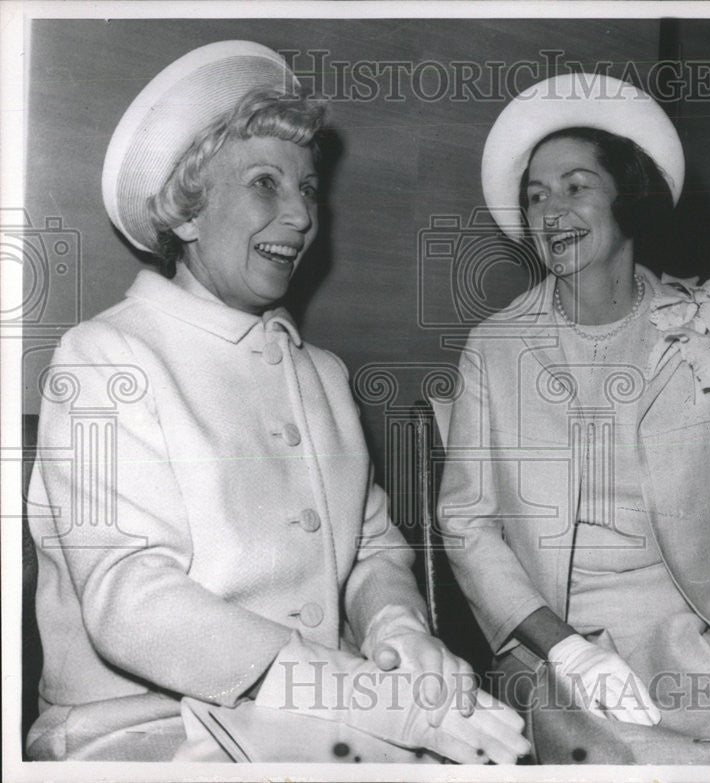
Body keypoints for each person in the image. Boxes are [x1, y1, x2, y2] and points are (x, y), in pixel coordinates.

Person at [25, 40, 528, 764]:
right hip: (138, 730)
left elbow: (373, 546)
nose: (300, 217)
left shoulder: (322, 373)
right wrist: (365, 696)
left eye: (309, 189)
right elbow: (129, 600)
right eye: (266, 182)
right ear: (187, 210)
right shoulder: (103, 356)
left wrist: (399, 633)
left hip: (323, 718)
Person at [438, 73, 710, 765]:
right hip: (563, 641)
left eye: (576, 186)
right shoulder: (495, 346)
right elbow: (466, 524)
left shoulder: (709, 325)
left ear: (627, 196)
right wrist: (563, 646)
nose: (551, 211)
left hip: (698, 630)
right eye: (536, 195)